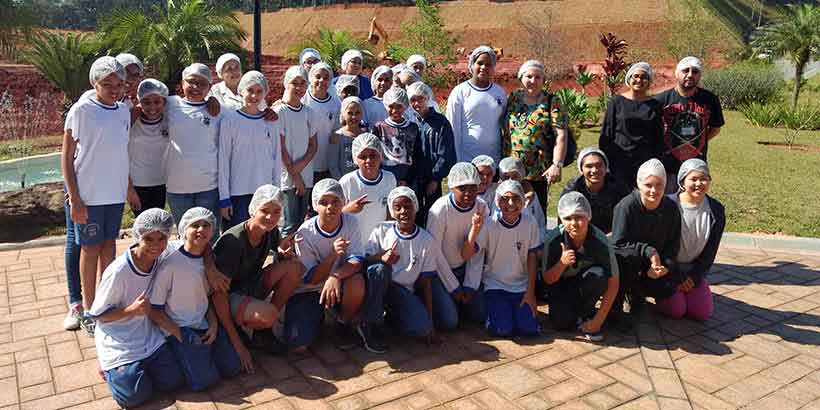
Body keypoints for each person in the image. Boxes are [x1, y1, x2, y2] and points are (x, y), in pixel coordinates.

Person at [61, 56, 132, 336]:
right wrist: (75, 198)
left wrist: (127, 187)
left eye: (119, 84)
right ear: (94, 83)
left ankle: (105, 302)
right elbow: (66, 157)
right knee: (89, 250)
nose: (114, 89)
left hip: (112, 194)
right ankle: (89, 309)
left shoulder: (123, 110)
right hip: (88, 196)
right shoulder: (81, 110)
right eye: (107, 84)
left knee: (108, 248)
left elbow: (120, 151)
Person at [89, 209, 184, 408]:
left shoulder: (163, 255)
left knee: (173, 382)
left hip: (146, 333)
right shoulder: (119, 271)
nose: (156, 245)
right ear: (138, 236)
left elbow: (196, 244)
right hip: (119, 338)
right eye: (149, 239)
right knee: (134, 398)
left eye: (161, 238)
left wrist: (209, 264)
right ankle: (110, 370)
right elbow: (97, 315)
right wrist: (130, 310)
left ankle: (138, 371)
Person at [149, 207, 242, 391]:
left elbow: (206, 299)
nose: (201, 229)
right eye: (195, 225)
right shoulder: (170, 265)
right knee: (204, 382)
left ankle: (199, 357)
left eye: (206, 225)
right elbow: (155, 310)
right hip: (180, 329)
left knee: (233, 368)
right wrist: (180, 334)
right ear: (184, 229)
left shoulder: (211, 263)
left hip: (204, 325)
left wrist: (214, 326)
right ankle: (178, 358)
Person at [212, 185, 302, 364]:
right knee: (270, 315)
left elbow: (279, 252)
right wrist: (237, 343)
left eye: (276, 211)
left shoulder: (269, 231)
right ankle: (239, 329)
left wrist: (284, 253)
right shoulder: (234, 241)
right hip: (227, 296)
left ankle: (262, 331)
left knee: (293, 268)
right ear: (253, 210)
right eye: (264, 210)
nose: (270, 217)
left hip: (250, 285)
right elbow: (217, 294)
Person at [365, 187, 460, 348]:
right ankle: (371, 323)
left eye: (408, 206)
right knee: (380, 270)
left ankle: (393, 318)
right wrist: (381, 257)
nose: (403, 212)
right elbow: (365, 260)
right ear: (392, 211)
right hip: (383, 286)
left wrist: (429, 322)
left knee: (422, 327)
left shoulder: (426, 240)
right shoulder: (381, 230)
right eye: (398, 207)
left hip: (404, 291)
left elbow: (425, 282)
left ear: (415, 207)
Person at [292, 179, 375, 352]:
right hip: (310, 288)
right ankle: (317, 314)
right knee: (299, 345)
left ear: (343, 202)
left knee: (357, 283)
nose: (330, 207)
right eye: (323, 202)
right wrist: (333, 255)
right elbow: (312, 278)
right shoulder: (305, 233)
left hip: (339, 281)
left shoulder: (350, 222)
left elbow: (356, 261)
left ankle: (342, 323)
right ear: (315, 206)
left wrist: (335, 276)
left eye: (335, 201)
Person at [463, 180, 542, 337]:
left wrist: (530, 292)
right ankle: (493, 315)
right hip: (495, 286)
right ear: (497, 201)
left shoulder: (530, 222)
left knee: (529, 329)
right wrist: (474, 230)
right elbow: (466, 255)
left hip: (521, 287)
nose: (511, 204)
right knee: (503, 330)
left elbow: (532, 256)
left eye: (516, 198)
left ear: (523, 201)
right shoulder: (489, 224)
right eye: (505, 199)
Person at [611, 159, 681, 329]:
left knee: (668, 287)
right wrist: (648, 251)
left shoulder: (671, 209)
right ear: (638, 183)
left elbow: (673, 245)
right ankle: (618, 302)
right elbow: (618, 243)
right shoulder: (626, 206)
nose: (653, 190)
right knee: (628, 257)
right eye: (648, 184)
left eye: (659, 185)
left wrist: (664, 266)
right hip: (630, 262)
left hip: (654, 265)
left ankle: (638, 294)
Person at [540, 192, 620, 341]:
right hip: (561, 284)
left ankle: (587, 313)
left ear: (588, 217)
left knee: (599, 275)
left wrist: (598, 321)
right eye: (568, 218)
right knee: (562, 323)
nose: (573, 223)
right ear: (561, 219)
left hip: (586, 281)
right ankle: (572, 312)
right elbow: (547, 279)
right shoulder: (553, 240)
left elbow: (614, 283)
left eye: (579, 217)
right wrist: (561, 264)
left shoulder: (601, 241)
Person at [657, 159, 724, 321]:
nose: (699, 183)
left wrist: (695, 277)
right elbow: (661, 245)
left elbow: (710, 250)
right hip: (668, 269)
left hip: (693, 269)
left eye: (704, 179)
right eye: (693, 179)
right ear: (682, 181)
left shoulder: (716, 209)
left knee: (702, 313)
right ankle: (664, 295)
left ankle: (692, 290)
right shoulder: (668, 205)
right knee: (677, 311)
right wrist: (677, 275)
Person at [502, 60, 569, 211]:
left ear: (543, 80)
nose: (533, 81)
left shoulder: (552, 101)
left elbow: (561, 135)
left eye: (538, 77)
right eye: (529, 77)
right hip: (511, 170)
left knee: (536, 216)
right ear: (521, 78)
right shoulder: (513, 98)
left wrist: (557, 164)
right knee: (509, 212)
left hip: (538, 172)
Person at [427, 163, 490, 324]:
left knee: (479, 316)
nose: (468, 193)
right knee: (449, 322)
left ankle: (458, 303)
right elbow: (435, 253)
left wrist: (470, 285)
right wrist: (453, 287)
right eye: (462, 188)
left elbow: (478, 251)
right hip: (440, 272)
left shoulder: (482, 207)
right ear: (451, 188)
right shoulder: (440, 209)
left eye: (473, 188)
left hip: (465, 268)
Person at [165, 63, 222, 234]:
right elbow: (144, 103)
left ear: (210, 87)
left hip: (208, 187)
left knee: (209, 237)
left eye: (202, 83)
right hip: (177, 188)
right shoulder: (169, 105)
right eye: (191, 82)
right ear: (182, 84)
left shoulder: (218, 111)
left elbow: (247, 112)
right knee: (186, 236)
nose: (196, 87)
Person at [218, 71, 280, 230]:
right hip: (237, 193)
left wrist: (276, 192)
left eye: (259, 91)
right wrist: (224, 198)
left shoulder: (271, 122)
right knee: (237, 238)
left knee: (260, 238)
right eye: (250, 91)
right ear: (241, 91)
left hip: (264, 192)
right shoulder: (229, 120)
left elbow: (276, 159)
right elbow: (224, 160)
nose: (254, 95)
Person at [654, 57, 725, 191]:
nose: (690, 75)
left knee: (692, 204)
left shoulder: (710, 99)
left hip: (695, 166)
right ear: (677, 73)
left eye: (695, 71)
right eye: (685, 71)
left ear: (700, 75)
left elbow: (716, 128)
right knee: (668, 205)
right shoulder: (660, 100)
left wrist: (698, 141)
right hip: (667, 165)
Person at [599, 62, 663, 189]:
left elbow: (658, 137)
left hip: (645, 161)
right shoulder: (616, 102)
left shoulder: (654, 105)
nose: (639, 80)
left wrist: (656, 162)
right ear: (629, 78)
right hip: (619, 160)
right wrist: (606, 162)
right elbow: (607, 133)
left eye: (644, 77)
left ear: (649, 81)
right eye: (636, 76)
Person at [276, 66, 318, 236]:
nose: (299, 87)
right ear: (287, 84)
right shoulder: (280, 111)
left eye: (303, 83)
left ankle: (297, 261)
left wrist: (301, 173)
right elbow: (280, 147)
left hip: (306, 176)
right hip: (288, 178)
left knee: (301, 223)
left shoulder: (309, 112)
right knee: (289, 225)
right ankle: (281, 260)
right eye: (295, 83)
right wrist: (295, 176)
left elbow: (313, 146)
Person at [445, 46, 507, 162]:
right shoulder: (460, 92)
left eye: (488, 64)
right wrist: (456, 160)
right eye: (480, 63)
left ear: (493, 67)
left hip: (494, 160)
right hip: (467, 159)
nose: (484, 67)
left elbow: (504, 126)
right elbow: (453, 128)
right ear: (472, 65)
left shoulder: (499, 93)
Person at [407, 82, 456, 226]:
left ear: (427, 98)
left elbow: (446, 153)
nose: (416, 103)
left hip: (432, 180)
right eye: (413, 100)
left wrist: (435, 178)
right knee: (415, 216)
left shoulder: (440, 123)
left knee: (433, 217)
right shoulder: (411, 122)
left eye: (420, 99)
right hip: (414, 179)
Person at [339, 133, 397, 246]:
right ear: (355, 158)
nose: (368, 160)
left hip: (378, 244)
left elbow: (390, 215)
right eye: (363, 156)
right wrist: (347, 209)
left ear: (380, 156)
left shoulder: (389, 179)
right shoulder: (347, 182)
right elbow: (333, 215)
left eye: (373, 155)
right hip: (353, 245)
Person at [559, 148, 630, 234]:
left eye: (599, 165)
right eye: (589, 166)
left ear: (606, 167)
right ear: (581, 169)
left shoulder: (619, 187)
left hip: (612, 235)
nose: (594, 170)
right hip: (580, 235)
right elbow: (564, 221)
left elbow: (627, 218)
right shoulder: (572, 189)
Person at [128, 79, 170, 217]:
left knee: (158, 225)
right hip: (138, 184)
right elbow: (119, 156)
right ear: (139, 101)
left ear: (164, 101)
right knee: (143, 228)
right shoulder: (129, 121)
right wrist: (129, 189)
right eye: (146, 102)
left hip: (161, 183)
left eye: (157, 102)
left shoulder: (169, 120)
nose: (152, 107)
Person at [370, 86, 421, 185]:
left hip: (408, 176)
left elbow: (417, 155)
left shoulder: (413, 127)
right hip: (385, 176)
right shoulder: (379, 127)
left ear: (405, 106)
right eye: (391, 107)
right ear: (385, 105)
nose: (394, 110)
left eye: (399, 106)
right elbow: (375, 153)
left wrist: (408, 179)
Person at [303, 62, 341, 182]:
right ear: (310, 78)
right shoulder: (303, 99)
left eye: (326, 78)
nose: (322, 80)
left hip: (326, 160)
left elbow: (336, 132)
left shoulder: (335, 104)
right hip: (304, 160)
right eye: (318, 77)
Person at [497, 156, 547, 241]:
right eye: (506, 176)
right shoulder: (496, 195)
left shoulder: (531, 197)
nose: (511, 180)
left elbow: (540, 223)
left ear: (522, 175)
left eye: (515, 176)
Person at [329, 97, 366, 179]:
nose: (354, 117)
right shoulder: (337, 136)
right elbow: (333, 166)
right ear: (343, 114)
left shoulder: (365, 135)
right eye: (350, 113)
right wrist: (342, 184)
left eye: (357, 113)